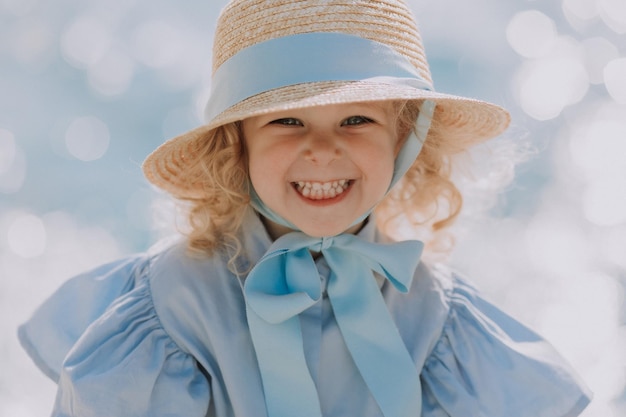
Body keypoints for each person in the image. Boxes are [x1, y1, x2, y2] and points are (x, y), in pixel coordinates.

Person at [19, 0, 592, 416]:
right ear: (236, 145)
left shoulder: (434, 315)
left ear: (405, 139)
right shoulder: (175, 305)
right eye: (287, 121)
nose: (323, 148)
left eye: (357, 119)